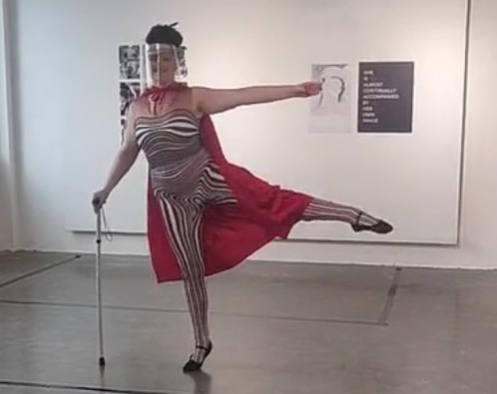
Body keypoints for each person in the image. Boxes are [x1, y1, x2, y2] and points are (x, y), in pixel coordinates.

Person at [92, 23, 393, 373]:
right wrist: (106, 189)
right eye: (153, 59)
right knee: (191, 270)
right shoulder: (136, 108)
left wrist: (295, 90)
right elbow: (128, 151)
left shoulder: (194, 97)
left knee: (272, 201)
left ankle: (353, 217)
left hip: (208, 177)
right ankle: (202, 342)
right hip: (170, 198)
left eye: (164, 59)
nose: (158, 66)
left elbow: (243, 95)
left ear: (177, 61)